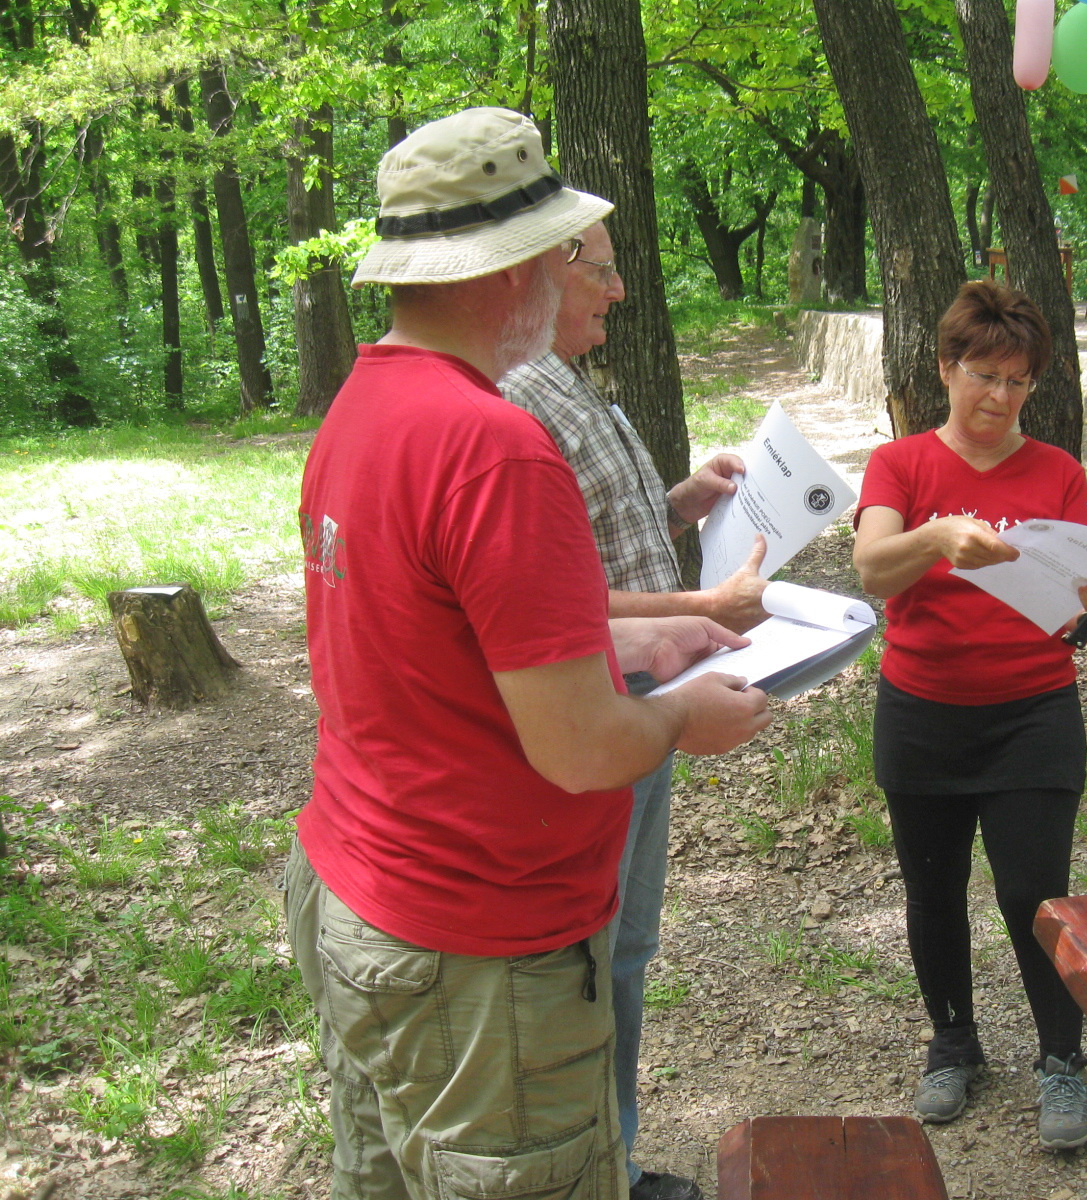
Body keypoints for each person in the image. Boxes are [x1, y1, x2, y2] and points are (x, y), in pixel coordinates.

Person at [287, 107, 772, 1200]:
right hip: (481, 947)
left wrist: (643, 636)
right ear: (508, 272)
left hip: (357, 895)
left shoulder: (358, 410)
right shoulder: (495, 444)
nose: (569, 274)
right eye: (558, 250)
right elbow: (581, 748)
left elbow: (448, 639)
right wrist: (687, 716)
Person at [499, 219, 767, 1200]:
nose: (617, 293)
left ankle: (609, 1155)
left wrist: (684, 502)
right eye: (603, 273)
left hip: (639, 701)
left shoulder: (571, 386)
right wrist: (702, 606)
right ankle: (595, 1165)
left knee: (626, 944)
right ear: (550, 268)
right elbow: (555, 601)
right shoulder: (517, 402)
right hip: (598, 711)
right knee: (594, 949)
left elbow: (601, 538)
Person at [853, 281, 1087, 1150]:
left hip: (1031, 716)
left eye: (1018, 382)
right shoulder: (900, 465)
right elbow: (871, 567)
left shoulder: (1056, 471)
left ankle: (1061, 1060)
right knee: (932, 893)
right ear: (945, 368)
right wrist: (939, 536)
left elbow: (1078, 590)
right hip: (924, 714)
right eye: (983, 375)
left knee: (1032, 896)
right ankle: (953, 1043)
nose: (999, 398)